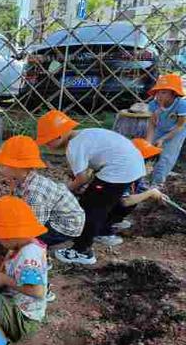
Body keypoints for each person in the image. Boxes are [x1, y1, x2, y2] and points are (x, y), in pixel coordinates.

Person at [36, 109, 145, 265]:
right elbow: (91, 168)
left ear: (58, 136)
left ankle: (82, 251)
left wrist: (63, 190)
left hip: (119, 170)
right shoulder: (85, 134)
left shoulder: (74, 146)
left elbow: (82, 178)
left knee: (90, 207)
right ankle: (102, 232)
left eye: (47, 141)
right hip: (133, 165)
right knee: (105, 201)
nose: (47, 145)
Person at [0, 196, 50, 343]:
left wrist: (3, 280)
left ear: (11, 235)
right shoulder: (21, 245)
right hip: (15, 302)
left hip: (24, 318)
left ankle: (1, 342)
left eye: (0, 237)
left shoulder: (29, 256)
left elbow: (38, 291)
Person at [0, 135, 85, 247]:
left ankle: (38, 255)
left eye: (2, 165)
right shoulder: (22, 180)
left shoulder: (34, 194)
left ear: (15, 167)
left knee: (22, 241)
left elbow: (34, 228)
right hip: (53, 214)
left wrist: (11, 235)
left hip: (65, 225)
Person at [97, 138, 164, 242]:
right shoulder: (123, 175)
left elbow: (141, 188)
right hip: (98, 207)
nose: (152, 168)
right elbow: (125, 201)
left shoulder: (134, 173)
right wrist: (150, 193)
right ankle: (102, 231)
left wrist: (154, 192)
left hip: (104, 204)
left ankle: (114, 221)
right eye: (150, 163)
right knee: (128, 202)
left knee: (137, 196)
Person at [145, 74, 186, 187]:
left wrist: (163, 139)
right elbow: (152, 125)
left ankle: (157, 184)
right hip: (161, 127)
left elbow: (180, 126)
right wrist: (148, 143)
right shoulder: (153, 105)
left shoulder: (181, 105)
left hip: (177, 130)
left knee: (166, 156)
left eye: (163, 92)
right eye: (157, 92)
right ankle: (144, 180)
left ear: (174, 93)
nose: (159, 95)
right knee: (149, 152)